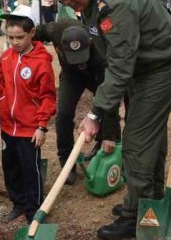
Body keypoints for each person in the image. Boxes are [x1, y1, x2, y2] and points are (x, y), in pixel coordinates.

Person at [47, 0, 171, 240]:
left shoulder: (115, 2)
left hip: (160, 66)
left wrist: (95, 113)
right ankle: (150, 199)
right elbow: (113, 57)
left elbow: (120, 65)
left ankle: (136, 213)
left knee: (136, 141)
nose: (67, 2)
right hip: (140, 66)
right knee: (148, 136)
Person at [0, 7, 56, 223]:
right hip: (8, 126)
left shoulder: (41, 62)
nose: (15, 42)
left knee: (30, 170)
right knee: (10, 167)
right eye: (10, 38)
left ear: (32, 33)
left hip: (29, 128)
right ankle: (18, 203)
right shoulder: (5, 58)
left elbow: (48, 97)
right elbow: (3, 86)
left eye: (20, 37)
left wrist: (41, 126)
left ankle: (33, 210)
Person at [35, 17, 121, 185]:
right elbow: (30, 32)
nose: (80, 61)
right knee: (63, 115)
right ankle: (67, 162)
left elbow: (110, 98)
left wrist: (109, 136)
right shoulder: (55, 30)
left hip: (96, 75)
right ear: (60, 47)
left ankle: (104, 148)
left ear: (89, 43)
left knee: (104, 109)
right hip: (71, 77)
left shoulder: (100, 52)